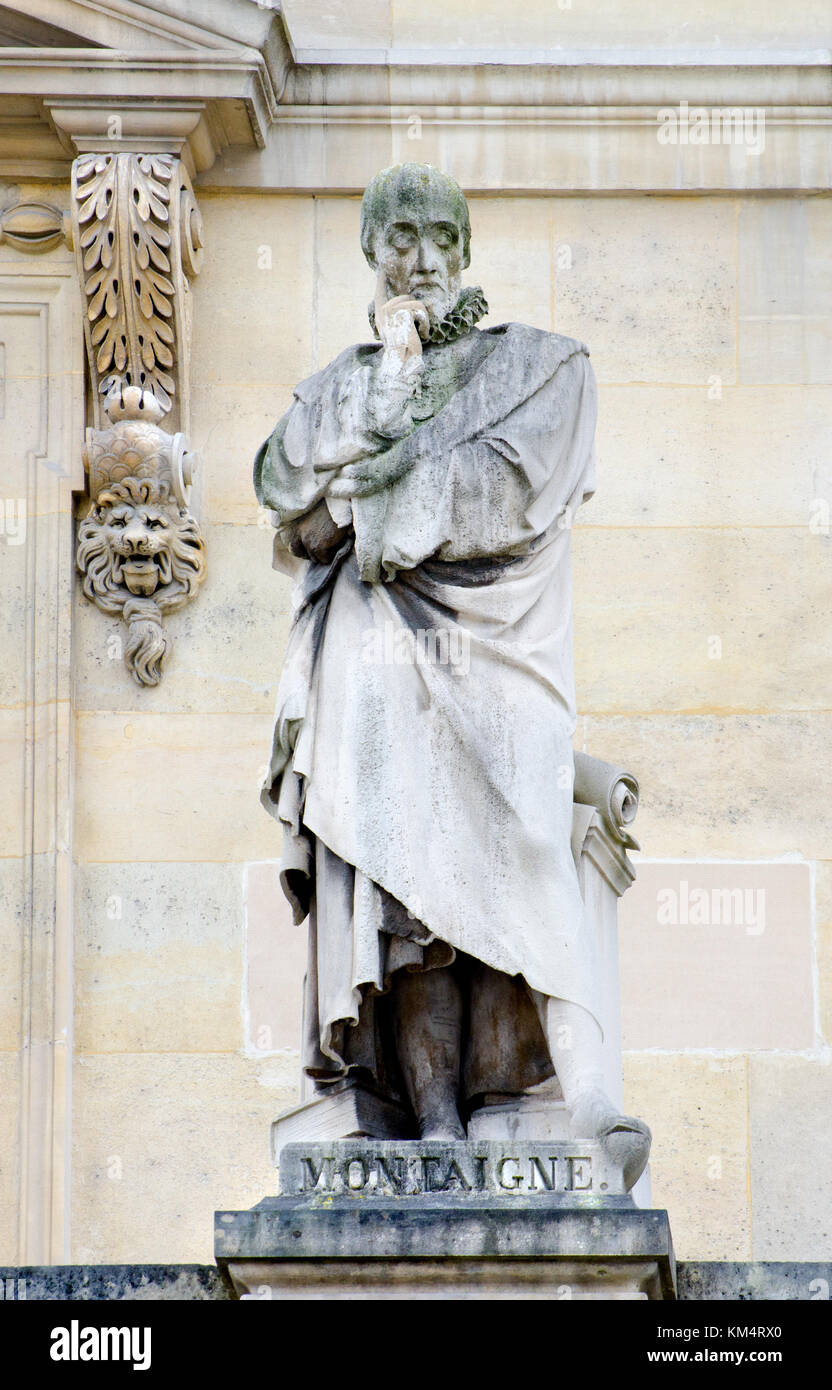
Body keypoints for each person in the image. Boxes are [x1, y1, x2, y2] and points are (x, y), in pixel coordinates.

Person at [254, 163, 649, 1178]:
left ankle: (579, 1086)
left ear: (464, 248)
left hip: (499, 651)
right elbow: (284, 499)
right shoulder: (341, 387)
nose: (420, 257)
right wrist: (381, 396)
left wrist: (363, 506)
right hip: (376, 664)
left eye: (437, 235)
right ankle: (428, 1120)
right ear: (371, 252)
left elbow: (508, 489)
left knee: (518, 848)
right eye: (398, 238)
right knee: (403, 887)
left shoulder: (536, 367)